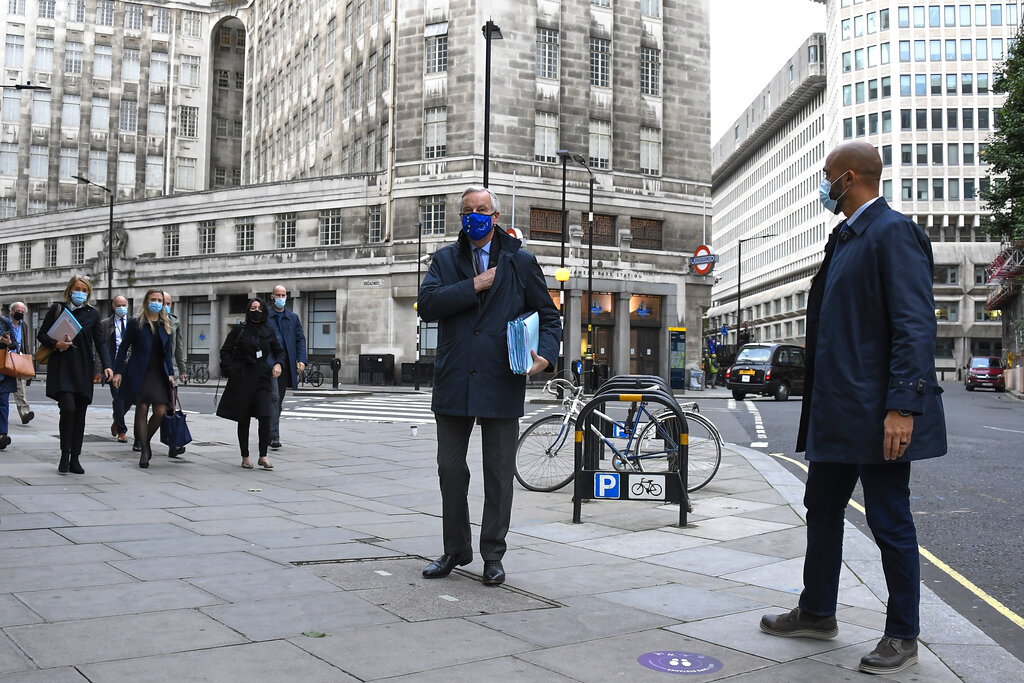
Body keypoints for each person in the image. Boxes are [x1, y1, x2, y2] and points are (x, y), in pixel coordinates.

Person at [759, 142, 946, 676]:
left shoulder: (893, 232)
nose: (824, 187)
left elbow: (914, 324)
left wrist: (903, 407)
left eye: (826, 177)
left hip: (877, 412)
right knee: (822, 509)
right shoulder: (846, 236)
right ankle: (817, 611)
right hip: (838, 410)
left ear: (847, 177)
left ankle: (903, 634)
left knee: (889, 520)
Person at [418, 186, 561, 586]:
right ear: (461, 217)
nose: (474, 216)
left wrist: (546, 356)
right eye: (468, 211)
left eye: (482, 210)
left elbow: (549, 316)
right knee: (450, 469)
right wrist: (475, 285)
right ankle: (455, 549)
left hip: (502, 378)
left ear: (495, 217)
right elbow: (426, 304)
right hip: (454, 378)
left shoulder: (521, 261)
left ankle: (493, 555)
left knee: (498, 473)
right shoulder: (445, 259)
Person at [38, 275, 113, 474]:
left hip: (83, 369)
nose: (80, 293)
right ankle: (64, 454)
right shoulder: (57, 309)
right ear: (70, 290)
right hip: (62, 367)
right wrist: (57, 344)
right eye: (77, 289)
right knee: (68, 409)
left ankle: (75, 458)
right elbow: (42, 334)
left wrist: (107, 365)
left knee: (80, 414)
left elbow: (100, 342)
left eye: (84, 290)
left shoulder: (92, 314)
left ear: (88, 293)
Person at [217, 298, 284, 470]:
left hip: (263, 377)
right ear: (248, 310)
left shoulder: (269, 330)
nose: (256, 310)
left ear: (264, 311)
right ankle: (245, 456)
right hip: (243, 377)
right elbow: (225, 351)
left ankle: (263, 455)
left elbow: (279, 351)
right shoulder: (240, 329)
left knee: (265, 414)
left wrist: (278, 364)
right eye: (253, 308)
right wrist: (231, 370)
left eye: (259, 308)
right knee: (244, 418)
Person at [112, 289, 176, 469]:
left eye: (159, 300)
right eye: (153, 299)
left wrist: (171, 374)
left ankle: (145, 441)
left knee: (160, 411)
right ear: (146, 302)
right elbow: (123, 347)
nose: (156, 302)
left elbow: (168, 353)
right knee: (141, 408)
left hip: (159, 373)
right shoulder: (136, 323)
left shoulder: (166, 324)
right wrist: (118, 372)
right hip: (139, 371)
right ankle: (145, 451)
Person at [267, 284, 307, 450]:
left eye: (283, 295)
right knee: (274, 399)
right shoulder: (265, 316)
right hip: (270, 364)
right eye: (278, 295)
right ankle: (274, 435)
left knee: (278, 400)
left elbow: (300, 339)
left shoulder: (293, 318)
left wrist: (301, 359)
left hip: (286, 364)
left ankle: (269, 431)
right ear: (272, 296)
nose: (281, 298)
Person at [100, 296, 133, 444]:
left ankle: (116, 420)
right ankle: (122, 431)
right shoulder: (105, 324)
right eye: (119, 305)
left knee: (130, 397)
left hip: (130, 365)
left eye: (124, 305)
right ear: (113, 307)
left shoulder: (134, 323)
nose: (122, 307)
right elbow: (100, 347)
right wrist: (101, 368)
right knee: (118, 396)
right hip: (113, 365)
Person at [163, 292, 188, 455]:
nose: (165, 305)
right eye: (162, 302)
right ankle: (140, 439)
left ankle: (174, 444)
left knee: (170, 408)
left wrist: (183, 369)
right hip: (152, 371)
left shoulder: (175, 321)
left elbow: (178, 347)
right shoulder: (147, 320)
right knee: (147, 408)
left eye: (168, 303)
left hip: (171, 370)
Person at [3, 302, 34, 425]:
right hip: (5, 357)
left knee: (20, 386)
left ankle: (25, 413)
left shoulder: (24, 325)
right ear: (11, 311)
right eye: (18, 311)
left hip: (18, 359)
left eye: (22, 312)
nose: (20, 313)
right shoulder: (4, 323)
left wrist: (27, 357)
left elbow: (25, 342)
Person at [0, 318, 17, 449]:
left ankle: (2, 435)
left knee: (3, 403)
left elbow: (15, 344)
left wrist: (9, 342)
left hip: (2, 370)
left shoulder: (4, 322)